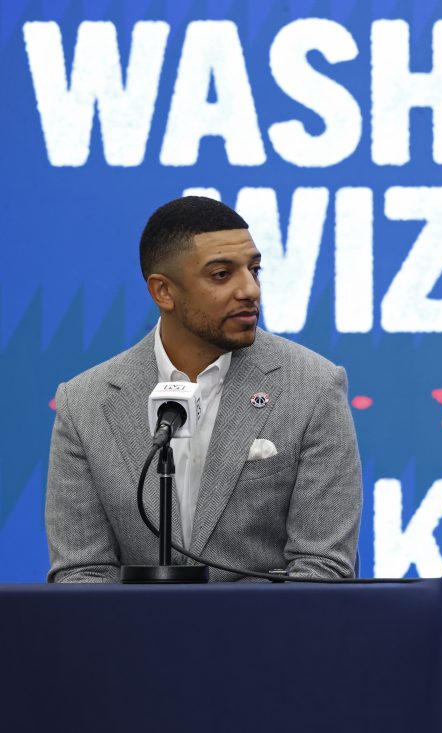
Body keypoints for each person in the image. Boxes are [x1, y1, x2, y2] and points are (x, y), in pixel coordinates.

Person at [45, 196, 362, 582]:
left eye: (254, 270)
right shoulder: (85, 403)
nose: (250, 290)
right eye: (221, 275)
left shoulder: (313, 387)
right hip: (135, 640)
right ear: (164, 292)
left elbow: (322, 568)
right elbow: (82, 572)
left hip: (267, 639)